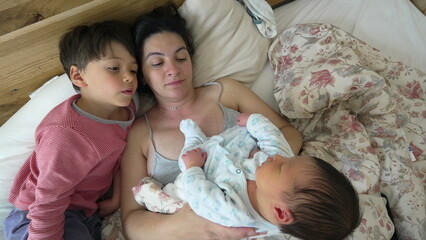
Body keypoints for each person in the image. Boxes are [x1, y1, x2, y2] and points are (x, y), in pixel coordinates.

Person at [120, 3, 303, 240]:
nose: (173, 69)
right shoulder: (140, 135)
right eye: (157, 63)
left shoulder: (227, 92)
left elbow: (290, 132)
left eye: (181, 57)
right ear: (142, 74)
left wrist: (262, 163)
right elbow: (131, 221)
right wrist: (187, 224)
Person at [3, 20, 138, 240]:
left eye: (133, 69)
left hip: (82, 211)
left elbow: (122, 158)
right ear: (78, 76)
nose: (129, 77)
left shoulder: (128, 108)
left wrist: (116, 200)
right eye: (114, 68)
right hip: (38, 218)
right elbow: (47, 203)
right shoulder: (67, 135)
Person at [133, 113, 360, 240]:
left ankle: (190, 143)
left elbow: (201, 196)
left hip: (196, 183)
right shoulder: (274, 172)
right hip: (219, 150)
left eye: (282, 167)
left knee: (175, 186)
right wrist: (254, 121)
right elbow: (274, 140)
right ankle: (197, 141)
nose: (280, 158)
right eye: (290, 159)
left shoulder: (237, 213)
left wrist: (193, 168)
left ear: (280, 212)